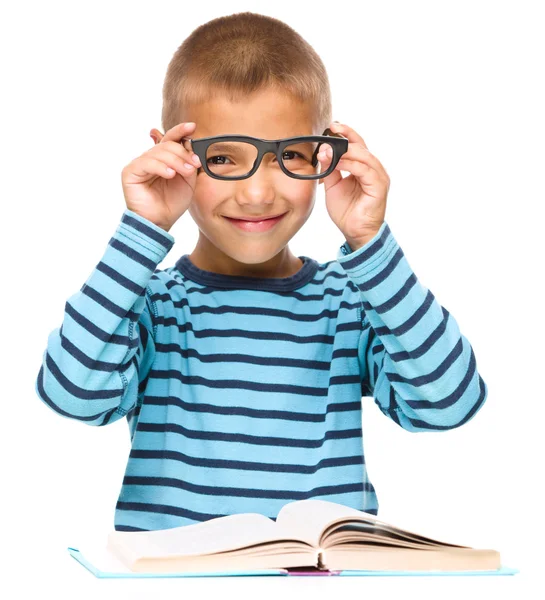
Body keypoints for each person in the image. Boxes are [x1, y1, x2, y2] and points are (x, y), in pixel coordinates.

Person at [35, 11, 488, 533]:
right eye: (223, 159)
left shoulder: (350, 302)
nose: (256, 193)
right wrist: (141, 230)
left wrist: (370, 243)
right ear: (172, 155)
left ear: (326, 155)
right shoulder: (153, 306)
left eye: (288, 155)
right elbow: (73, 395)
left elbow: (448, 403)